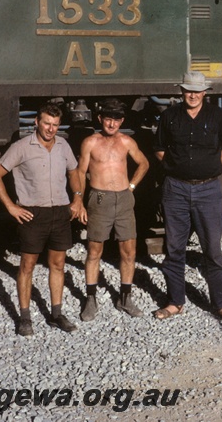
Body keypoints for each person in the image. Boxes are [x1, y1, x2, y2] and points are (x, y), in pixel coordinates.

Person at [0, 102, 85, 336]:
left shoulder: (63, 145)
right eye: (46, 123)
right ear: (36, 122)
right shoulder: (21, 147)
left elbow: (73, 172)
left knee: (58, 265)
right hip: (33, 213)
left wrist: (78, 198)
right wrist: (11, 207)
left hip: (60, 212)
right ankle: (24, 318)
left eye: (55, 125)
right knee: (27, 266)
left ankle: (56, 314)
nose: (50, 129)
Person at [152, 71, 222, 324]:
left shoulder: (217, 115)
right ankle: (175, 301)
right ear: (181, 91)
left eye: (197, 90)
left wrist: (210, 166)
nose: (192, 94)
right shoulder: (169, 116)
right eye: (188, 90)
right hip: (175, 190)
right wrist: (174, 167)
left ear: (204, 93)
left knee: (212, 249)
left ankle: (220, 305)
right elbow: (158, 149)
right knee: (174, 249)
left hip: (208, 190)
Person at [76, 98, 150, 320]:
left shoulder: (127, 142)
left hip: (124, 200)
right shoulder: (90, 142)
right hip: (99, 200)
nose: (112, 124)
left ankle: (125, 298)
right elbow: (80, 172)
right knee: (94, 251)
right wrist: (78, 200)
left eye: (116, 120)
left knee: (128, 252)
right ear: (100, 119)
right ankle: (90, 299)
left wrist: (132, 186)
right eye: (108, 119)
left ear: (122, 121)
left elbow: (144, 163)